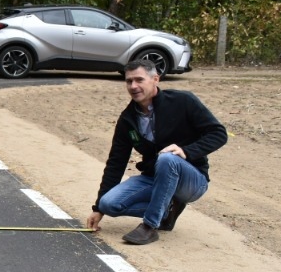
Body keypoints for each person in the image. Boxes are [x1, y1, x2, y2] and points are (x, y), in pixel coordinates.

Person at [86, 60, 227, 245]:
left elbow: (219, 134)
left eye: (139, 80)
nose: (133, 86)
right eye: (129, 81)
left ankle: (149, 226)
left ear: (155, 79)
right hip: (154, 178)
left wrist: (187, 151)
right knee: (109, 203)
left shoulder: (183, 101)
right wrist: (98, 208)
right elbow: (116, 163)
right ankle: (167, 211)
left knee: (168, 158)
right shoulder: (127, 120)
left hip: (192, 180)